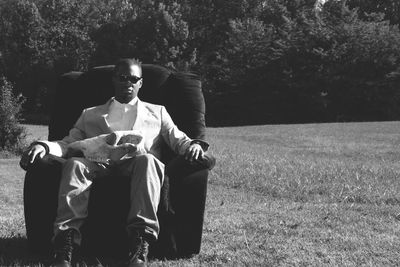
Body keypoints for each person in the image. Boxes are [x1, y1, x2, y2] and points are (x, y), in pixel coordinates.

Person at [20, 58, 209, 267]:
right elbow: (67, 143)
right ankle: (66, 243)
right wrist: (44, 146)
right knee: (74, 164)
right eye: (122, 77)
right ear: (114, 80)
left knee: (148, 160)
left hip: (137, 166)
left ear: (140, 83)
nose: (128, 82)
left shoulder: (158, 112)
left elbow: (178, 139)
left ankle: (140, 240)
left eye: (133, 78)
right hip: (99, 164)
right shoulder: (90, 114)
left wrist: (194, 145)